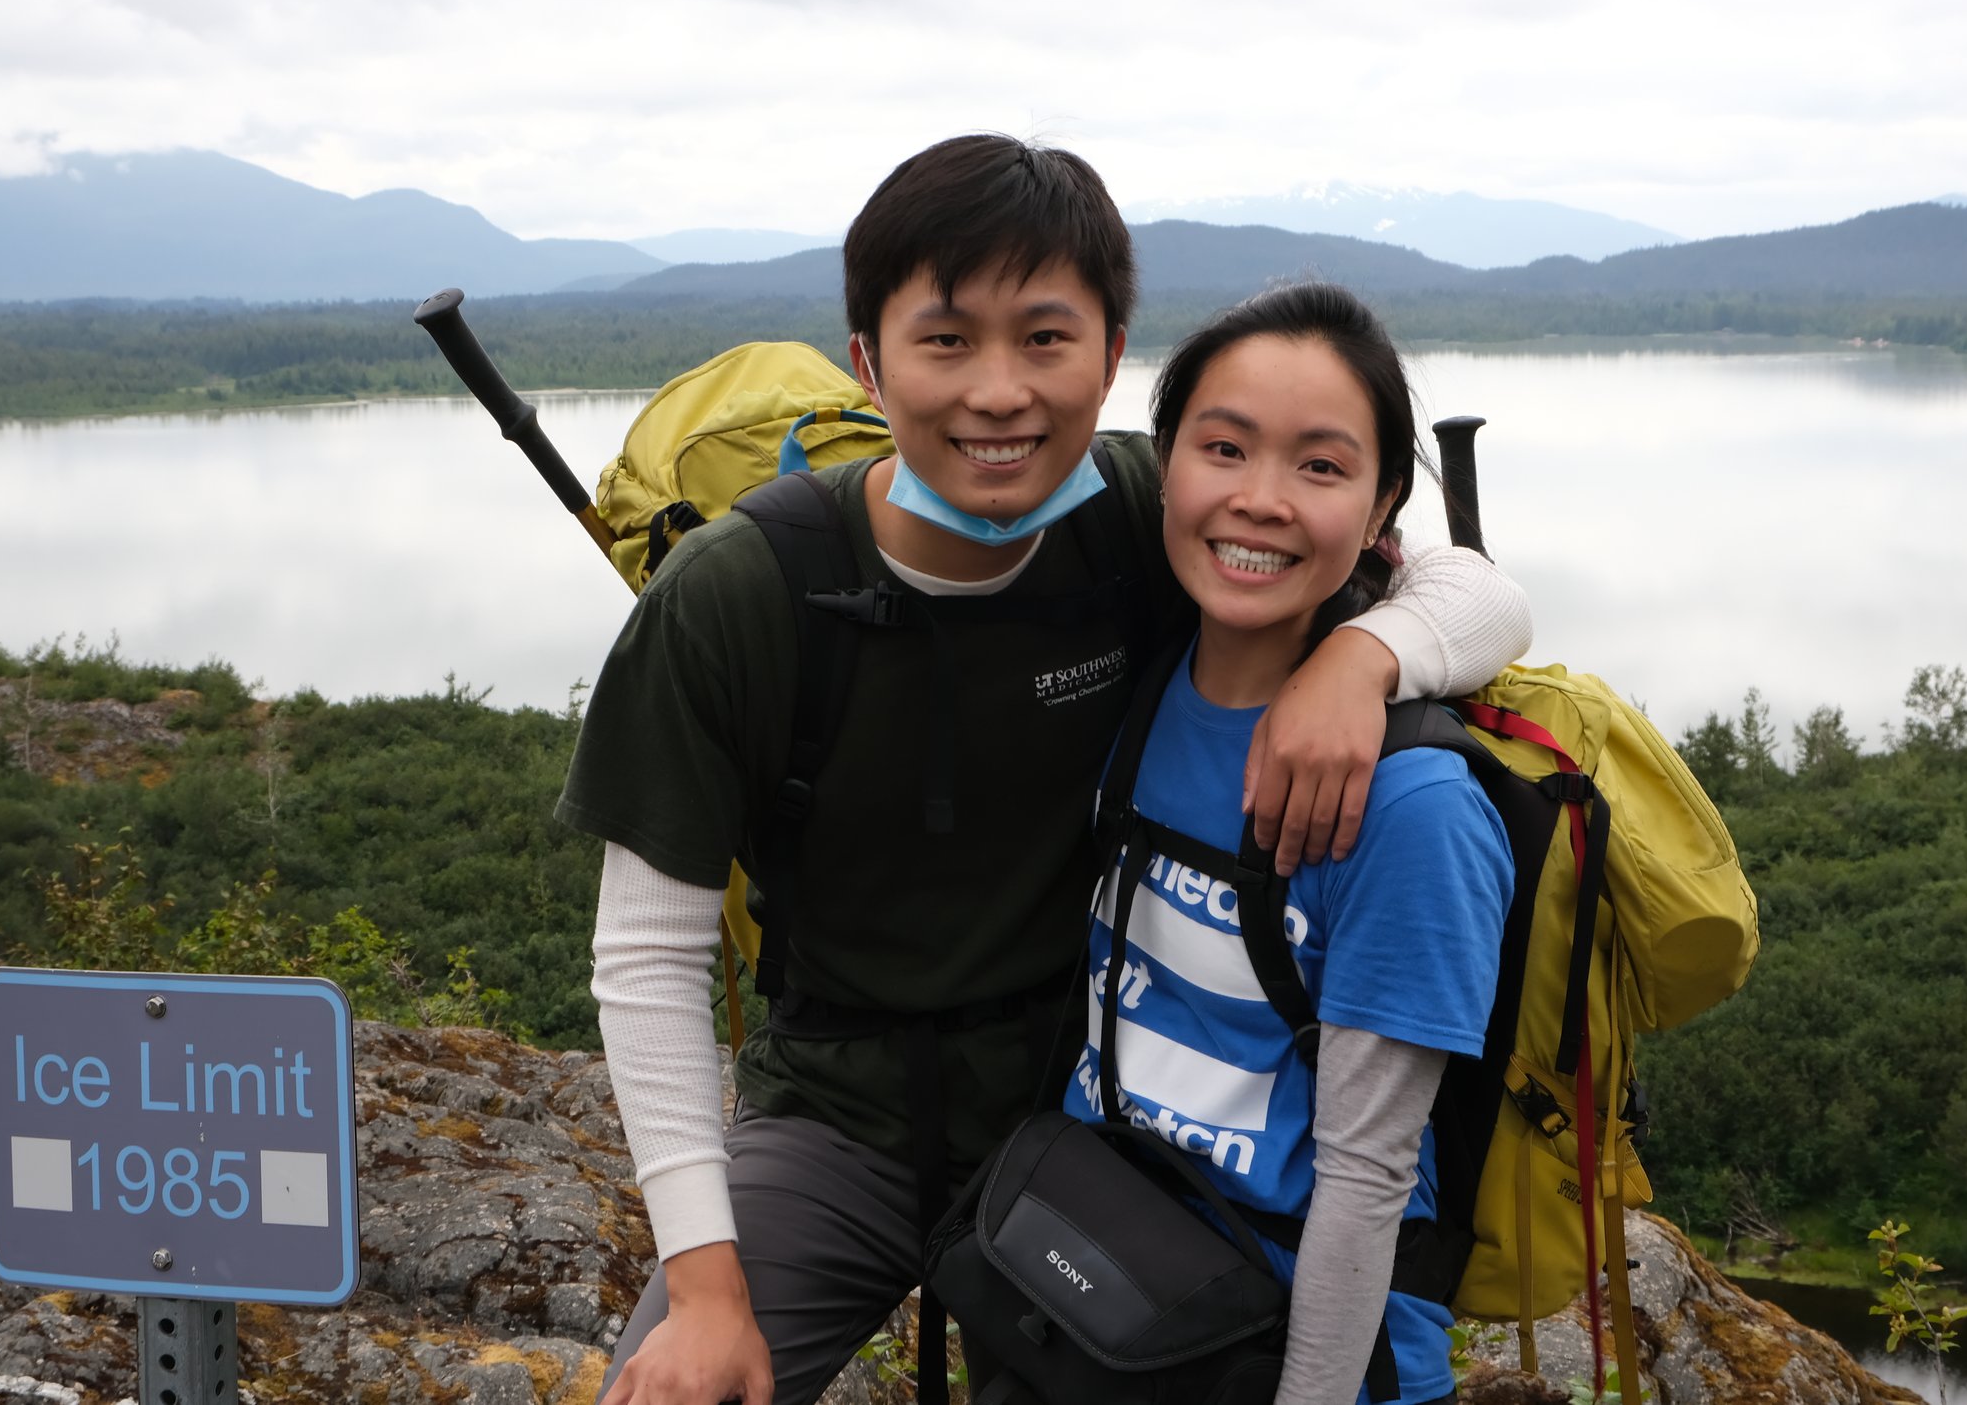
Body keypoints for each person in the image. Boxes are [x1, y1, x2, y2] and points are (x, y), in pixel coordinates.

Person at [558, 136, 1531, 1405]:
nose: (1001, 394)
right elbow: (644, 955)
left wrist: (1361, 659)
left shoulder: (1143, 510)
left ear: (1111, 356)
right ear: (870, 360)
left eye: (1046, 339)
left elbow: (1479, 589)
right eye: (947, 340)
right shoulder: (743, 593)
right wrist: (703, 1288)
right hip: (838, 1116)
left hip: (1078, 1122)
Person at [1062, 283, 1517, 1405]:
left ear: (1380, 509)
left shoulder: (1412, 806)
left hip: (1278, 1350)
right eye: (1223, 448)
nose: (1258, 499)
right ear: (1164, 466)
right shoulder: (1141, 665)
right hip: (1091, 1278)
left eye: (1320, 466)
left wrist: (1361, 658)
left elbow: (1366, 1175)